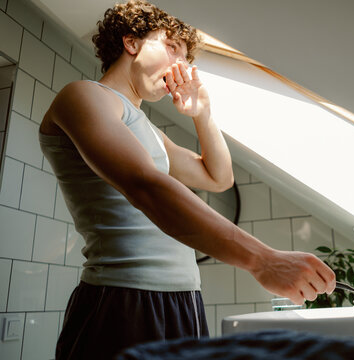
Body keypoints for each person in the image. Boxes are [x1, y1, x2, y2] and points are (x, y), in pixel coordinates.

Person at [38, 1, 336, 358]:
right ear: (132, 43)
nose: (181, 64)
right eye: (171, 46)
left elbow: (219, 177)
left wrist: (202, 114)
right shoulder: (84, 95)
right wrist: (263, 259)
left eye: (185, 55)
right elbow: (145, 186)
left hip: (184, 298)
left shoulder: (148, 129)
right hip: (123, 297)